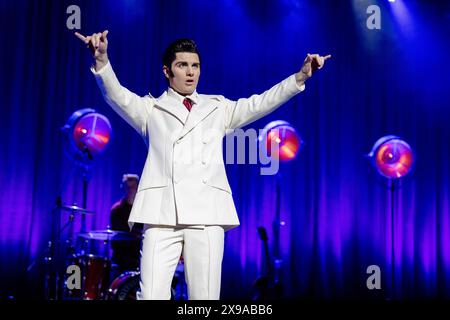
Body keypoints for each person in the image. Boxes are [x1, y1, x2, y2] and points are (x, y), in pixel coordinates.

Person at [75, 30, 330, 300]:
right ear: (167, 71)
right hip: (162, 215)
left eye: (195, 65)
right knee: (150, 295)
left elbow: (261, 103)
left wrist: (300, 77)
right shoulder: (151, 110)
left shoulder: (217, 107)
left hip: (207, 215)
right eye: (182, 65)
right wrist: (101, 59)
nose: (190, 72)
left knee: (204, 298)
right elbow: (116, 95)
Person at [109, 174, 142, 273]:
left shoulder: (143, 210)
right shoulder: (117, 210)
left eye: (133, 187)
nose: (131, 190)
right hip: (121, 259)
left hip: (139, 257)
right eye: (128, 187)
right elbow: (120, 235)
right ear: (123, 189)